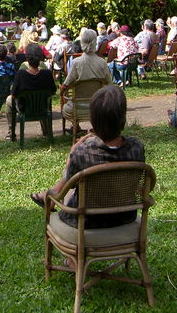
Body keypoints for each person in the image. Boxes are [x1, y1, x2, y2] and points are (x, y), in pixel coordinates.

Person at [29, 86, 145, 239]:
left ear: (93, 120)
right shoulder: (137, 148)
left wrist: (73, 152)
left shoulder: (82, 152)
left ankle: (72, 259)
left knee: (72, 187)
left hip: (86, 223)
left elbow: (70, 179)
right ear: (123, 118)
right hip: (125, 218)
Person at [60, 29, 112, 133]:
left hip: (78, 106)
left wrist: (61, 92)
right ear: (95, 42)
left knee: (69, 98)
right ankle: (96, 127)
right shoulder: (102, 62)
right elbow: (110, 84)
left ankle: (75, 126)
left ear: (82, 42)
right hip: (98, 105)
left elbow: (66, 84)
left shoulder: (76, 63)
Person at [4, 44, 56, 140]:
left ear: (27, 58)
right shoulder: (47, 74)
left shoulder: (21, 74)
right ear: (41, 57)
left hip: (24, 109)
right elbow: (53, 91)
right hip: (43, 107)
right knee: (45, 100)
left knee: (8, 100)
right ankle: (46, 132)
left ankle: (11, 132)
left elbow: (13, 94)